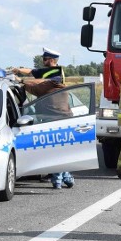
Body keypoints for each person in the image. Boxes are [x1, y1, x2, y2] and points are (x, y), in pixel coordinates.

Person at [11, 48, 74, 189]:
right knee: (61, 150)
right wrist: (18, 70)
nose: (42, 61)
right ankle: (67, 178)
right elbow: (33, 72)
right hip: (53, 117)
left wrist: (21, 81)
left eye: (45, 59)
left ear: (52, 60)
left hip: (58, 118)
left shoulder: (57, 74)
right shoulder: (46, 73)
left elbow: (39, 85)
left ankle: (58, 179)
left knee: (58, 149)